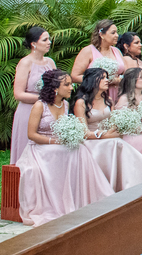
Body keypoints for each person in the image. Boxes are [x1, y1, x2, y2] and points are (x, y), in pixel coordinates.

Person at [16, 70, 115, 226]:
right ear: (55, 87)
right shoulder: (39, 105)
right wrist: (53, 141)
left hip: (60, 146)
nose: (71, 88)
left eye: (70, 84)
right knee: (62, 151)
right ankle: (55, 204)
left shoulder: (65, 104)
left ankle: (82, 198)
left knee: (80, 149)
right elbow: (31, 135)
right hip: (40, 148)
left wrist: (71, 136)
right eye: (67, 84)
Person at [72, 67, 142, 192]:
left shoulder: (108, 100)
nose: (106, 80)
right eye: (102, 78)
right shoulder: (81, 103)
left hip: (110, 137)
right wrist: (105, 135)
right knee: (116, 143)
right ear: (92, 80)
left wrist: (114, 133)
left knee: (118, 143)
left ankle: (137, 183)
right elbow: (83, 133)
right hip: (91, 140)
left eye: (106, 77)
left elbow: (114, 124)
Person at [10, 26, 58, 164]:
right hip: (28, 111)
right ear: (34, 44)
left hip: (49, 112)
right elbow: (18, 94)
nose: (49, 42)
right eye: (45, 40)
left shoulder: (50, 62)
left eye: (49, 39)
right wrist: (43, 98)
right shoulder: (25, 63)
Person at [70, 20, 125, 102]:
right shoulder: (88, 51)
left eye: (117, 32)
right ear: (101, 35)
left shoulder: (116, 51)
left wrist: (118, 80)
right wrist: (98, 80)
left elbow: (125, 73)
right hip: (95, 96)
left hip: (117, 94)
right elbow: (74, 76)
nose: (117, 35)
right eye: (113, 33)